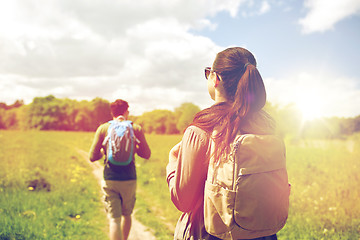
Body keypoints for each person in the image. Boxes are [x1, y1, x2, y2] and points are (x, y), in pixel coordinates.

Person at [166, 47, 279, 240]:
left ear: (215, 78)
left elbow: (183, 202)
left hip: (210, 233)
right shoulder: (267, 127)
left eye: (208, 73)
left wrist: (173, 162)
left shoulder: (201, 130)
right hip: (262, 234)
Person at [89, 99, 151, 240]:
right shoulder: (136, 128)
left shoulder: (103, 128)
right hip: (129, 178)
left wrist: (104, 153)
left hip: (110, 178)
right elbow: (146, 154)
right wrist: (134, 149)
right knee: (127, 215)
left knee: (114, 219)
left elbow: (92, 157)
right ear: (126, 111)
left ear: (112, 112)